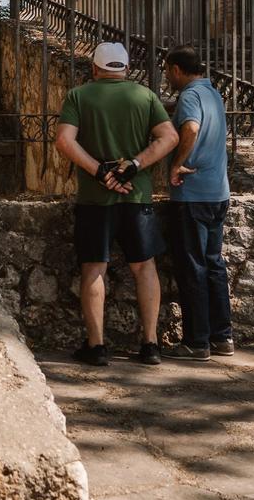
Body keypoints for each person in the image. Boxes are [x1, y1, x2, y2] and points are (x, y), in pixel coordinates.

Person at [54, 42, 179, 367]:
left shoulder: (79, 96)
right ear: (125, 67)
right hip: (137, 196)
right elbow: (169, 137)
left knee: (95, 267)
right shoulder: (145, 96)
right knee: (144, 266)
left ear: (95, 68)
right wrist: (135, 165)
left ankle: (96, 346)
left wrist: (100, 170)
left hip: (96, 197)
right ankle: (150, 343)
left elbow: (65, 140)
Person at [161, 46, 233, 361]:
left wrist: (177, 163)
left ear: (177, 69)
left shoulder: (189, 96)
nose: (166, 75)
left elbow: (190, 128)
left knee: (193, 267)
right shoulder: (213, 93)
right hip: (218, 192)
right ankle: (222, 337)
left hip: (193, 195)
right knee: (214, 264)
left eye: (166, 70)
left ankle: (197, 341)